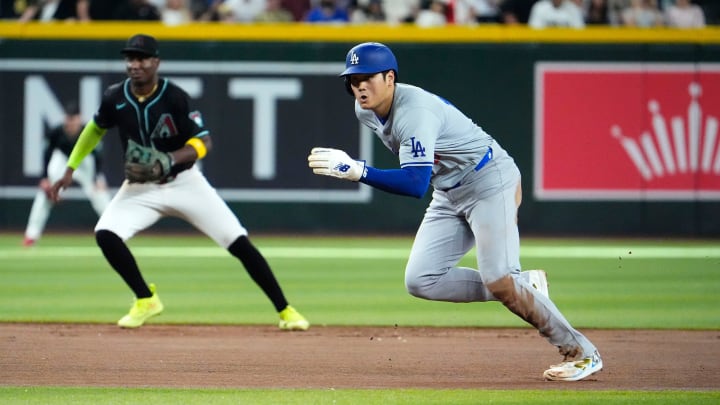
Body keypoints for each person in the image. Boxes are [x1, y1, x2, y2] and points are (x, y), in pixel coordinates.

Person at [307, 42, 602, 381]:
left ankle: (581, 352)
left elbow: (415, 184)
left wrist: (358, 171)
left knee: (500, 277)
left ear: (390, 77)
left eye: (368, 77)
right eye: (353, 79)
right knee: (422, 280)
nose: (359, 86)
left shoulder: (414, 111)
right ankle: (523, 286)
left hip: (490, 180)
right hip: (448, 191)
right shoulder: (365, 110)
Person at [49, 33, 309, 332]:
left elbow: (203, 141)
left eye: (142, 58)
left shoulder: (174, 97)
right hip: (140, 188)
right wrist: (70, 168)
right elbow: (94, 130)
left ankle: (285, 310)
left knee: (238, 242)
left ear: (156, 62)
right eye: (130, 58)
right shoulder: (115, 97)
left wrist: (171, 159)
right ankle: (145, 299)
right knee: (106, 234)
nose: (135, 64)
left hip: (185, 183)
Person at [23, 102, 111, 247]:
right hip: (63, 162)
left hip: (84, 161)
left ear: (79, 119)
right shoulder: (56, 132)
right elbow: (47, 154)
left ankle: (113, 230)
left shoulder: (87, 131)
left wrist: (98, 178)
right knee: (45, 194)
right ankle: (31, 235)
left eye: (73, 119)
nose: (70, 123)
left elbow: (97, 156)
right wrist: (45, 178)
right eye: (68, 119)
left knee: (100, 194)